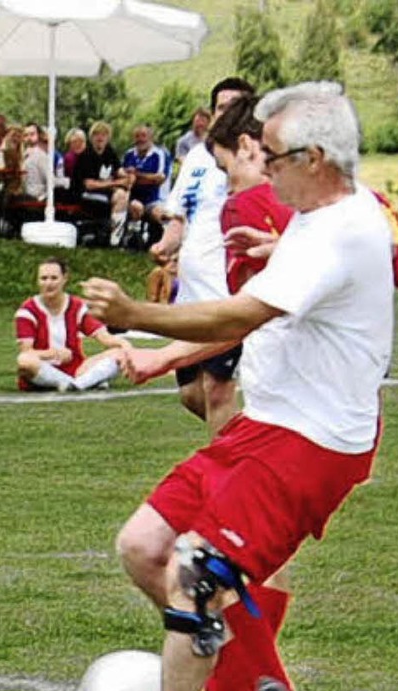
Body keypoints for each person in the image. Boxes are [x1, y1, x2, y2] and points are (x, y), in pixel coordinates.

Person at [82, 81, 396, 691]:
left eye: (270, 156)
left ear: (314, 156)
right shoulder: (314, 222)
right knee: (143, 545)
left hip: (311, 443)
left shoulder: (340, 229)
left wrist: (139, 313)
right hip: (266, 427)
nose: (259, 169)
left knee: (196, 569)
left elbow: (237, 318)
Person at [149, 76, 255, 438]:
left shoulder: (254, 160)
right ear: (211, 114)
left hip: (227, 292)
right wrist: (165, 246)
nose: (227, 114)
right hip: (190, 294)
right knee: (191, 394)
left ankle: (230, 479)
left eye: (236, 107)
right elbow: (179, 216)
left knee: (217, 389)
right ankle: (256, 449)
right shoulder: (196, 157)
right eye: (222, 108)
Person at [15, 258, 128, 392]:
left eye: (54, 278)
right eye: (44, 278)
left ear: (64, 279)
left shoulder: (77, 307)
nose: (48, 283)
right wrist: (53, 354)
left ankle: (76, 384)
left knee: (119, 354)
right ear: (37, 281)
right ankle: (82, 382)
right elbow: (27, 352)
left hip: (77, 368)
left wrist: (124, 345)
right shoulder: (27, 311)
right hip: (42, 368)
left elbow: (103, 337)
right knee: (24, 361)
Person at [70, 120, 131, 247]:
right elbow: (89, 184)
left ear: (108, 137)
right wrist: (115, 183)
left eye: (104, 134)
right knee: (119, 196)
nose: (100, 138)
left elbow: (119, 171)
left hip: (105, 191)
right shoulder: (86, 156)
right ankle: (113, 239)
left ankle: (117, 238)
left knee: (122, 196)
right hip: (84, 194)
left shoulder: (109, 152)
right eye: (97, 134)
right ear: (91, 137)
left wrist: (128, 177)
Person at [122, 125, 168, 242]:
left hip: (153, 200)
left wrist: (137, 175)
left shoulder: (159, 154)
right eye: (137, 136)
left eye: (143, 136)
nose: (140, 139)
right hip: (132, 198)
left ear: (150, 138)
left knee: (162, 215)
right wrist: (149, 178)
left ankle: (165, 242)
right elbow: (125, 178)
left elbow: (160, 179)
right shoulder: (129, 154)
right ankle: (132, 240)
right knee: (136, 207)